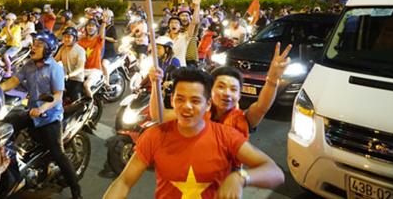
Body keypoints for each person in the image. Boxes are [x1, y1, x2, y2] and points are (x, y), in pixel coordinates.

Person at [104, 67, 284, 199]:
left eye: (195, 100)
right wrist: (155, 84)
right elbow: (123, 181)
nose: (187, 106)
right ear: (172, 100)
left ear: (207, 103)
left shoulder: (229, 133)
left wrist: (240, 178)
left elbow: (274, 172)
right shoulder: (155, 135)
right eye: (180, 99)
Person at [149, 42, 293, 140]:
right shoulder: (195, 113)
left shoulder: (243, 120)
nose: (227, 93)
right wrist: (155, 83)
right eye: (221, 86)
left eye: (233, 89)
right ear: (210, 90)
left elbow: (261, 107)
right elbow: (158, 115)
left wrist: (273, 79)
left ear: (239, 95)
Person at [0, 30, 82, 199]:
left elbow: (58, 95)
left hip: (50, 117)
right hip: (31, 111)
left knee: (58, 153)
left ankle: (76, 190)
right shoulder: (29, 64)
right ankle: (10, 169)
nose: (33, 47)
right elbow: (14, 81)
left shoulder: (55, 69)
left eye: (38, 45)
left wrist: (43, 108)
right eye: (33, 44)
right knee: (5, 125)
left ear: (47, 49)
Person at [78, 15, 108, 98]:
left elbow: (102, 35)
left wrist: (104, 23)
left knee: (86, 85)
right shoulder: (81, 40)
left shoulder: (98, 40)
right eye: (88, 25)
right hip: (82, 69)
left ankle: (91, 103)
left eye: (93, 26)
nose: (90, 27)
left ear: (96, 28)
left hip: (95, 70)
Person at [55, 27, 86, 102]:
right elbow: (55, 60)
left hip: (76, 79)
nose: (66, 39)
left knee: (75, 102)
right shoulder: (62, 48)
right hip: (64, 78)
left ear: (74, 38)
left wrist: (69, 75)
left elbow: (80, 68)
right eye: (65, 37)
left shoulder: (80, 50)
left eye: (69, 37)